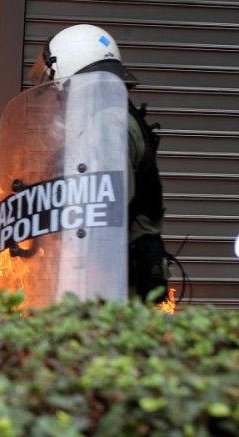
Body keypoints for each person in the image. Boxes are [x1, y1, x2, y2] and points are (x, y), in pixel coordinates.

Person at [29, 24, 172, 303]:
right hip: (111, 276)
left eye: (58, 89)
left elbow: (103, 217)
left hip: (107, 281)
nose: (59, 99)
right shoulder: (112, 117)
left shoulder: (106, 123)